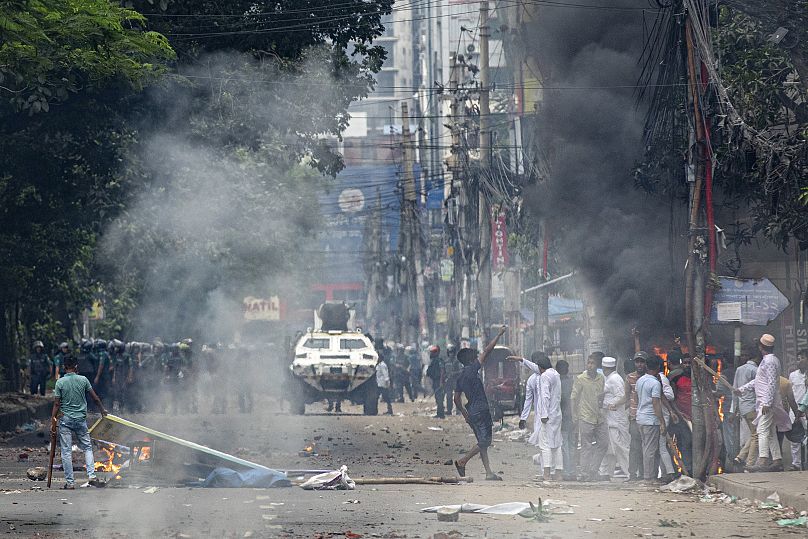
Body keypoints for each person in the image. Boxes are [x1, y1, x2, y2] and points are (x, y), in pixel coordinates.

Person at [453, 326, 507, 481]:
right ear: (470, 360)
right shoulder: (472, 369)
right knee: (485, 441)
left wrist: (465, 414)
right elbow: (487, 351)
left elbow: (456, 399)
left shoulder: (461, 376)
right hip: (481, 410)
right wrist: (499, 334)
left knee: (481, 443)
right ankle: (463, 461)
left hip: (472, 412)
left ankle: (489, 472)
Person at [50, 355, 107, 489]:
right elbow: (95, 398)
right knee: (87, 447)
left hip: (65, 420)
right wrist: (103, 410)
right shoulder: (84, 380)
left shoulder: (60, 382)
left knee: (66, 452)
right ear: (76, 367)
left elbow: (57, 404)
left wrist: (52, 419)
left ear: (64, 367)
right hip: (81, 420)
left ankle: (70, 483)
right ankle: (92, 475)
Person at [735, 334, 791, 472]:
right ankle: (777, 460)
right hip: (765, 402)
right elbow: (759, 381)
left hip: (767, 403)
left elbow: (772, 382)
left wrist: (767, 402)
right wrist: (742, 389)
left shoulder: (770, 361)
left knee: (762, 430)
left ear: (761, 347)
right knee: (770, 431)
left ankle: (763, 460)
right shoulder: (767, 361)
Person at [571, 352, 609, 481]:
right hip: (586, 416)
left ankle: (593, 470)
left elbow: (601, 395)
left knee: (604, 444)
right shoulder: (581, 378)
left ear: (597, 365)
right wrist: (574, 414)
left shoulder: (601, 378)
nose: (590, 366)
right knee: (586, 446)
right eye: (588, 363)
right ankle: (584, 473)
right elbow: (573, 397)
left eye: (592, 363)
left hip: (599, 416)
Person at [636, 355, 666, 482]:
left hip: (640, 418)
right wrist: (662, 421)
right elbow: (656, 403)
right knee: (650, 450)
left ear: (647, 366)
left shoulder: (640, 380)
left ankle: (649, 475)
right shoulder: (655, 383)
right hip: (650, 420)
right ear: (658, 367)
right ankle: (649, 477)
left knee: (645, 447)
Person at [601, 356, 630, 479]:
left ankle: (628, 471)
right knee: (611, 446)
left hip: (617, 418)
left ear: (604, 368)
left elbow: (621, 396)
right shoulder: (610, 378)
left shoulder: (614, 379)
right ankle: (607, 472)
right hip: (611, 418)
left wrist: (612, 405)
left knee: (620, 446)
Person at [732, 347, 759, 469]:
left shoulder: (739, 369)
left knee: (754, 434)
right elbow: (759, 390)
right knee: (757, 435)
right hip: (752, 407)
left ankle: (740, 457)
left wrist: (735, 409)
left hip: (743, 408)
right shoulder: (756, 370)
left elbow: (735, 389)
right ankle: (749, 464)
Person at [668, 356, 693, 476]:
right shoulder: (676, 379)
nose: (687, 365)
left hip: (696, 417)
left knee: (695, 442)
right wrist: (678, 412)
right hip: (682, 417)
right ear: (682, 364)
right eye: (685, 363)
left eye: (690, 363)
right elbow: (672, 398)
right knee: (685, 442)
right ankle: (686, 469)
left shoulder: (698, 379)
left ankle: (693, 468)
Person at [625, 352, 645, 481]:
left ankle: (644, 474)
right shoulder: (630, 378)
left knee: (645, 448)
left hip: (647, 418)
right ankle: (632, 474)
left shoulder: (650, 378)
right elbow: (627, 397)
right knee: (634, 447)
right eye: (637, 362)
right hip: (634, 417)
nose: (639, 364)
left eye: (642, 362)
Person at [556, 359, 577, 480]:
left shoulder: (557, 383)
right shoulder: (572, 382)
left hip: (563, 418)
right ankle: (572, 471)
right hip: (572, 417)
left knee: (565, 446)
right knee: (572, 445)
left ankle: (567, 471)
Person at [788, 350, 807, 470]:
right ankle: (796, 464)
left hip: (806, 409)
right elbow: (790, 393)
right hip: (794, 410)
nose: (799, 361)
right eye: (798, 358)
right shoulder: (793, 375)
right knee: (795, 437)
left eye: (802, 358)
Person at [426, 345, 445, 418]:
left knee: (439, 398)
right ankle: (439, 413)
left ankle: (441, 414)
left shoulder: (439, 360)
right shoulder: (433, 361)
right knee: (437, 398)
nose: (431, 354)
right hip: (435, 381)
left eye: (433, 352)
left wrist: (441, 382)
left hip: (438, 381)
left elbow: (442, 371)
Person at [444, 344, 462, 415]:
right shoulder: (446, 361)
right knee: (448, 396)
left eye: (452, 352)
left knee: (457, 397)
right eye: (449, 352)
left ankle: (458, 411)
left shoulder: (457, 361)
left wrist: (454, 373)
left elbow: (461, 371)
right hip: (448, 381)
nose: (451, 354)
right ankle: (449, 410)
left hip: (456, 381)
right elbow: (444, 371)